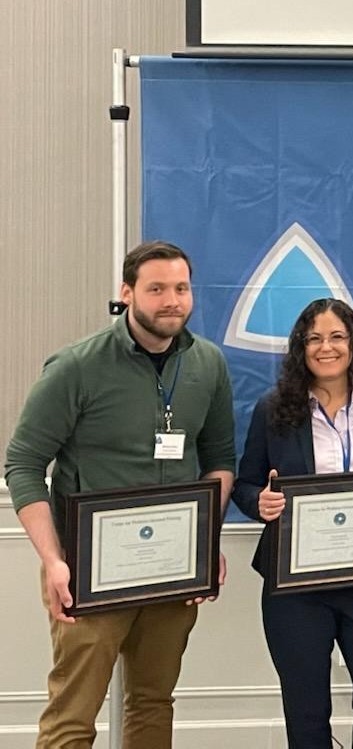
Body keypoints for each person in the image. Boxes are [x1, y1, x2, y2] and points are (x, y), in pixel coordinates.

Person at [4, 240, 236, 748]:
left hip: (173, 571)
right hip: (88, 572)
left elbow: (220, 460)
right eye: (157, 289)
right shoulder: (76, 367)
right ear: (127, 292)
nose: (172, 300)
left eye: (181, 288)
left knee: (153, 704)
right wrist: (53, 560)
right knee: (73, 715)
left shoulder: (208, 365)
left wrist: (204, 542)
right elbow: (22, 465)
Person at [232, 298, 353, 748]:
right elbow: (246, 483)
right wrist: (261, 502)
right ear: (300, 348)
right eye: (314, 339)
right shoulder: (273, 409)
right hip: (295, 586)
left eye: (336, 336)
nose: (326, 347)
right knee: (307, 709)